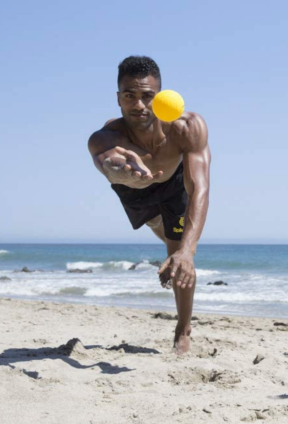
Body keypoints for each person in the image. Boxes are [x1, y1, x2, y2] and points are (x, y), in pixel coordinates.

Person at [87, 56, 211, 355]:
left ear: (160, 97)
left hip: (174, 184)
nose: (139, 105)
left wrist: (187, 251)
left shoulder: (187, 127)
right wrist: (119, 172)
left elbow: (200, 188)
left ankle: (183, 330)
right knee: (162, 227)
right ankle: (166, 235)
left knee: (178, 250)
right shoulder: (105, 137)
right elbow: (108, 162)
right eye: (130, 96)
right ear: (118, 99)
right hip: (133, 189)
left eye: (147, 96)